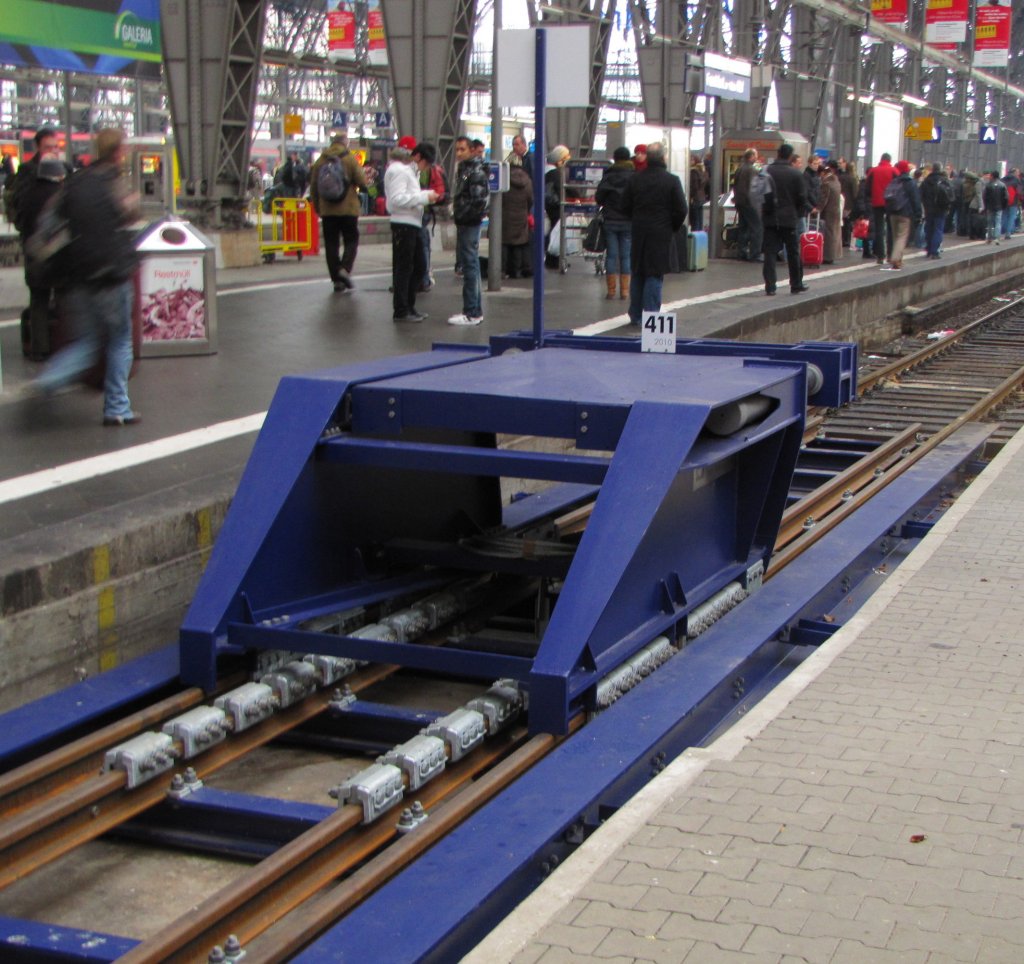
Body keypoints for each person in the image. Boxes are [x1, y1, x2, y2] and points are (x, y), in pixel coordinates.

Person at [28, 128, 140, 425]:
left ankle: (49, 379)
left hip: (78, 276)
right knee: (119, 340)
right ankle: (117, 407)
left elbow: (47, 225)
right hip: (112, 273)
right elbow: (131, 215)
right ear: (118, 152)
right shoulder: (114, 182)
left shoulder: (73, 182)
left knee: (87, 342)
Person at [5, 127, 65, 360]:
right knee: (41, 298)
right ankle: (44, 347)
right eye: (49, 147)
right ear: (38, 147)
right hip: (41, 247)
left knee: (52, 296)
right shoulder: (26, 173)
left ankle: (52, 345)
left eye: (56, 147)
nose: (54, 151)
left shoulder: (63, 170)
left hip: (46, 249)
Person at [619, 141, 686, 326]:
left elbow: (624, 206)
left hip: (639, 230)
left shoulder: (635, 179)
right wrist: (672, 226)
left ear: (647, 158)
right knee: (654, 274)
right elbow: (681, 209)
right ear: (664, 157)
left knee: (638, 272)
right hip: (661, 232)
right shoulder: (671, 180)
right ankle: (651, 317)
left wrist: (636, 218)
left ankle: (635, 315)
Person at [384, 141, 438, 322]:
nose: (426, 167)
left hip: (411, 224)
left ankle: (408, 306)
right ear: (417, 157)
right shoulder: (400, 171)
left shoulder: (408, 172)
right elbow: (397, 199)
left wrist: (425, 196)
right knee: (405, 268)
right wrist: (424, 197)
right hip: (403, 224)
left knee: (418, 266)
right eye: (426, 163)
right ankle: (401, 309)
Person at [309, 133, 367, 292]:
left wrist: (318, 207)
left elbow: (314, 186)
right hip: (348, 209)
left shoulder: (321, 160)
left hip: (327, 210)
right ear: (345, 143)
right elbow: (362, 181)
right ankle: (344, 270)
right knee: (351, 240)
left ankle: (337, 280)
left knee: (331, 244)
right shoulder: (349, 158)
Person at [448, 135, 490, 326]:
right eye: (456, 149)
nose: (458, 153)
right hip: (466, 220)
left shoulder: (475, 171)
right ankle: (473, 310)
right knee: (469, 263)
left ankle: (472, 311)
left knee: (470, 264)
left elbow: (479, 201)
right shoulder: (466, 169)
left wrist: (465, 213)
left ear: (471, 150)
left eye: (462, 149)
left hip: (469, 222)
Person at [761, 143, 809, 296]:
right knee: (793, 252)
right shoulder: (795, 174)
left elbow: (759, 193)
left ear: (778, 154)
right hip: (789, 219)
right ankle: (796, 284)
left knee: (769, 252)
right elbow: (802, 197)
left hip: (770, 218)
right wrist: (798, 212)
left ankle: (770, 286)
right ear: (790, 156)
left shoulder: (766, 171)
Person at [595, 145, 634, 299]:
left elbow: (599, 198)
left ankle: (611, 291)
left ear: (615, 158)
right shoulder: (634, 176)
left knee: (611, 255)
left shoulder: (608, 176)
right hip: (628, 220)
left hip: (610, 220)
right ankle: (624, 291)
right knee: (626, 255)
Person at [882, 160, 920, 270]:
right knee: (902, 237)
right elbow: (915, 200)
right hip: (905, 213)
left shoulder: (894, 181)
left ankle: (898, 261)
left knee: (895, 237)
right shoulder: (910, 183)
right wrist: (918, 214)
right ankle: (895, 258)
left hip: (892, 213)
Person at [502, 162, 533, 279]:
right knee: (519, 243)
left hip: (505, 215)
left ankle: (502, 269)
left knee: (504, 243)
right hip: (521, 215)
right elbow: (530, 200)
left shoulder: (504, 179)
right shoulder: (527, 181)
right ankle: (516, 270)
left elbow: (500, 198)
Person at [865, 152, 896, 265]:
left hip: (877, 202)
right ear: (889, 160)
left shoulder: (873, 171)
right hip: (891, 203)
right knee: (891, 229)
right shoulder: (894, 171)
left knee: (879, 229)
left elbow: (867, 188)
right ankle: (890, 255)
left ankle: (880, 256)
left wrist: (871, 198)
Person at [732, 148, 762, 262]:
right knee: (757, 228)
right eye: (756, 155)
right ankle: (755, 254)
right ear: (752, 156)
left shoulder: (740, 168)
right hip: (749, 203)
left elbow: (735, 185)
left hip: (740, 202)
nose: (757, 157)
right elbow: (752, 188)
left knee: (743, 228)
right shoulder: (752, 170)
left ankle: (742, 252)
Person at [919, 162, 954, 259]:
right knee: (938, 230)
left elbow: (920, 195)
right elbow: (951, 196)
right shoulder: (944, 181)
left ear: (932, 169)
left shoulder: (926, 181)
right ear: (941, 169)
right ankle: (935, 251)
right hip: (941, 210)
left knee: (929, 229)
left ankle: (929, 250)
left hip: (928, 210)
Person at [544, 144, 571, 257]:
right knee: (556, 230)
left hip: (549, 205)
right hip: (556, 205)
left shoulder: (546, 171)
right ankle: (552, 255)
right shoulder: (556, 173)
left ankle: (550, 254)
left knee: (554, 229)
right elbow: (562, 189)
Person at [818, 159, 843, 264]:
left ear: (824, 173)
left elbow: (824, 198)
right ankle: (834, 255)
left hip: (828, 212)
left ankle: (827, 256)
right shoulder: (836, 181)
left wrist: (818, 209)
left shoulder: (826, 183)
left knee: (828, 235)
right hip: (836, 211)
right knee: (835, 233)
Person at [981, 170, 1008, 245]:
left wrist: (986, 206)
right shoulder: (1002, 185)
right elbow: (1006, 197)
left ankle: (989, 238)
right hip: (999, 206)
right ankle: (997, 238)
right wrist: (1004, 205)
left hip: (990, 206)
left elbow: (984, 196)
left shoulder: (988, 185)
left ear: (992, 176)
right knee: (998, 222)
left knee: (990, 223)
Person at [837, 159, 859, 247]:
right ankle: (846, 240)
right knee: (848, 223)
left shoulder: (840, 177)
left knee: (842, 222)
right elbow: (855, 193)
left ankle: (842, 239)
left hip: (841, 201)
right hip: (849, 204)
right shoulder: (852, 179)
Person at [688, 153, 708, 232]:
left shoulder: (693, 172)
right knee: (700, 221)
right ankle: (700, 240)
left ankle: (694, 241)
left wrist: (691, 196)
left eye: (691, 159)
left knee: (694, 221)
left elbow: (694, 187)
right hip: (702, 198)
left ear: (694, 161)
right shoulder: (704, 171)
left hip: (695, 199)